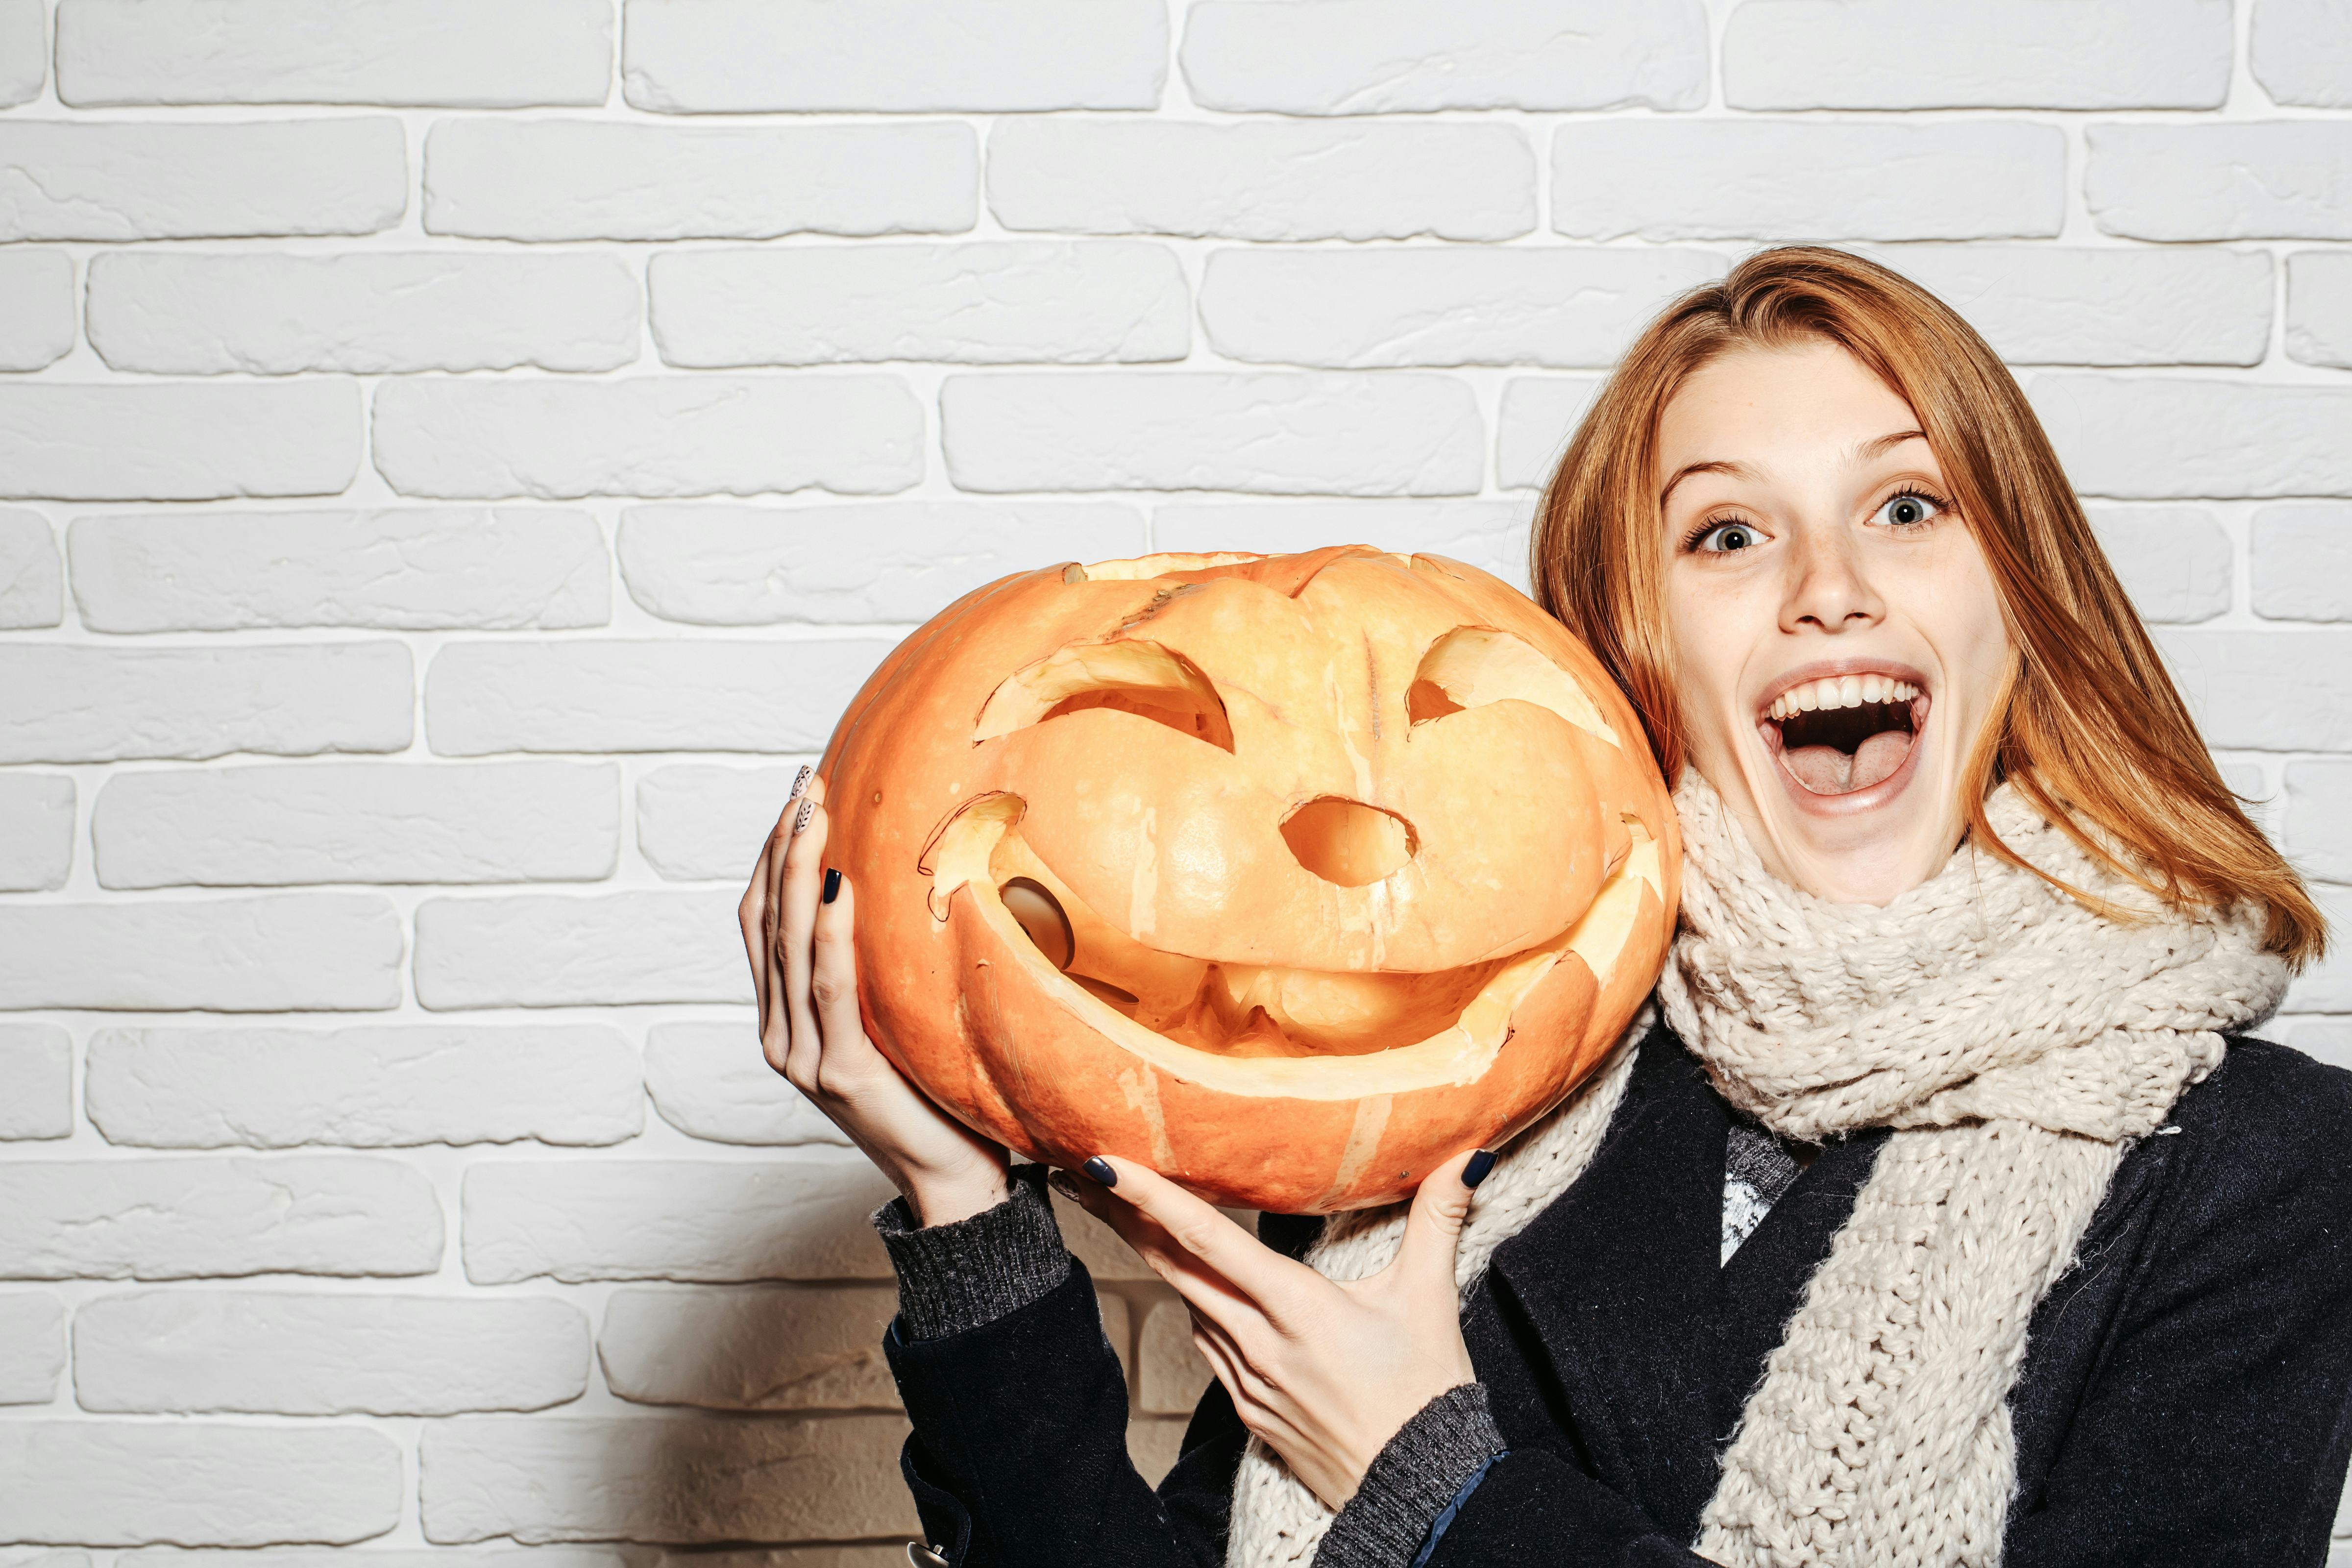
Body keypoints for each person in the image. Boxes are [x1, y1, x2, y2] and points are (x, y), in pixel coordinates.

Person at [739, 247, 2351, 1568]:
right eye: (1727, 533)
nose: (1829, 585)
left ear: (2023, 603)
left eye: (1909, 508)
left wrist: (1430, 1482)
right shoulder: (1471, 1097)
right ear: (1631, 653)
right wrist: (963, 1208)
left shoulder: (2262, 1169)